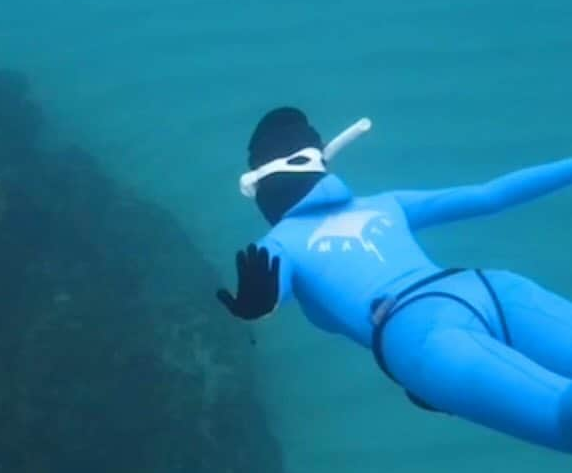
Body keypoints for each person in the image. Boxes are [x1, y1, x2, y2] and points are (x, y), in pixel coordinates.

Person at [217, 107, 572, 452]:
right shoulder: (385, 203)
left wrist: (255, 309)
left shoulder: (278, 244)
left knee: (561, 415)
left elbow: (266, 293)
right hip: (487, 287)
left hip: (418, 335)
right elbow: (490, 195)